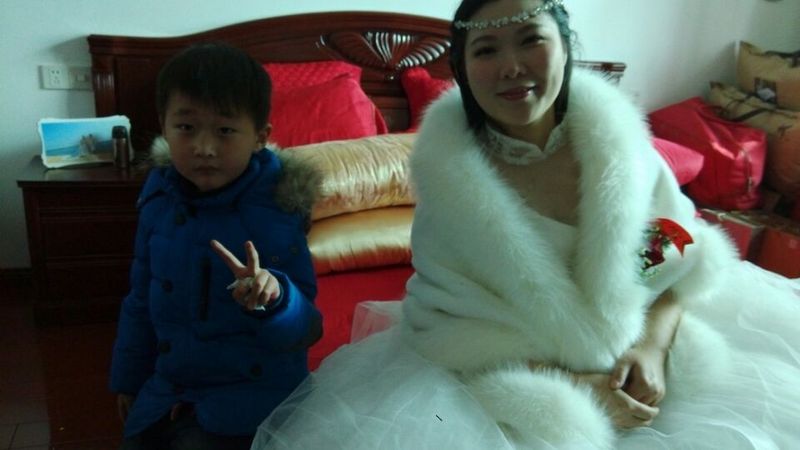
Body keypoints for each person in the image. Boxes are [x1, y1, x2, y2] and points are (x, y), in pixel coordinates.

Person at [252, 1, 800, 448]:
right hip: (514, 392)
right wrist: (579, 386)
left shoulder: (624, 152)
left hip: (651, 366)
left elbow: (679, 252)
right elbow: (445, 334)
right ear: (463, 71)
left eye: (530, 40)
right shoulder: (452, 195)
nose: (511, 66)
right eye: (487, 50)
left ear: (566, 46)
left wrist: (652, 348)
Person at [110, 42, 323, 450]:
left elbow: (308, 328)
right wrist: (129, 380)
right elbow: (140, 299)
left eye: (225, 131)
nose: (204, 148)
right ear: (164, 126)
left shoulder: (277, 209)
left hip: (251, 394)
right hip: (170, 387)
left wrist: (275, 299)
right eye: (186, 127)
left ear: (260, 137)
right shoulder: (158, 198)